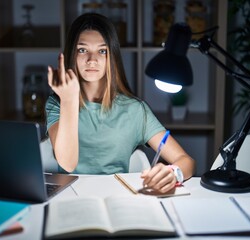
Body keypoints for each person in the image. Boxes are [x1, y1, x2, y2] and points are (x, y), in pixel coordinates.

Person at [45, 13, 195, 193]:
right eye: (82, 50)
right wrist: (69, 99)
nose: (92, 60)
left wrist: (173, 172)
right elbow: (67, 164)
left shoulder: (135, 110)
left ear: (112, 57)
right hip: (71, 196)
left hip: (118, 197)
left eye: (102, 51)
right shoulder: (57, 103)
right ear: (71, 54)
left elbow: (186, 161)